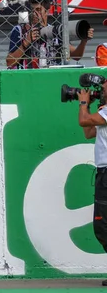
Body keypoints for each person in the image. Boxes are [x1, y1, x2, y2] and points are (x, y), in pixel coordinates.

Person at [6, 0, 93, 69]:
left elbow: (76, 56)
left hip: (52, 77)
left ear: (46, 12)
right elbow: (9, 62)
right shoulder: (20, 30)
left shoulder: (54, 31)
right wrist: (26, 42)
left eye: (38, 10)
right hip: (28, 78)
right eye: (32, 10)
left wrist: (84, 41)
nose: (34, 14)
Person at [78, 82, 107, 286]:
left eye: (104, 90)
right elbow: (88, 131)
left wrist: (83, 102)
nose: (101, 93)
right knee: (102, 225)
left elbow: (83, 121)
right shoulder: (103, 113)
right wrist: (87, 107)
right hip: (103, 173)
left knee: (103, 225)